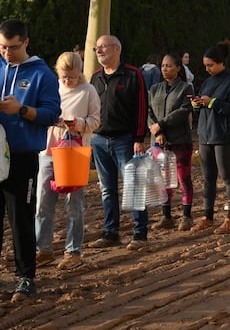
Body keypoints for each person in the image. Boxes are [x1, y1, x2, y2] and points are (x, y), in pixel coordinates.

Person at [0, 19, 61, 302]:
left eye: (12, 47)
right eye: (2, 47)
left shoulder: (42, 75)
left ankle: (26, 277)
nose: (7, 53)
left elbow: (51, 115)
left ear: (25, 42)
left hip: (22, 157)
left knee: (21, 218)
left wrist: (21, 109)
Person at [36, 51, 100, 271]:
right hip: (49, 150)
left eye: (72, 77)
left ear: (80, 72)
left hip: (75, 151)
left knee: (74, 204)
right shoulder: (51, 88)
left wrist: (78, 123)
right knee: (43, 202)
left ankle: (73, 251)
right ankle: (42, 248)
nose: (67, 81)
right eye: (64, 77)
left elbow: (95, 121)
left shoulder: (88, 90)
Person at [87, 35, 149, 251]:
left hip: (126, 140)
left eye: (103, 47)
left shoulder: (133, 75)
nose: (99, 51)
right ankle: (110, 231)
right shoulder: (95, 78)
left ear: (116, 49)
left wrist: (139, 138)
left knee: (133, 187)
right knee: (107, 189)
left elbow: (142, 107)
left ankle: (140, 234)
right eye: (97, 48)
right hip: (99, 140)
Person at [190, 43, 230, 235]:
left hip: (224, 135)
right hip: (206, 134)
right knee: (208, 178)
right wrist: (198, 104)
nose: (207, 69)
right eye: (205, 65)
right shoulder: (208, 82)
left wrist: (212, 102)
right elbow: (206, 105)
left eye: (211, 65)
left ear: (221, 63)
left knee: (228, 177)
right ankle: (208, 216)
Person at [147, 53, 194, 231]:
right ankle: (166, 216)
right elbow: (149, 111)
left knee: (183, 177)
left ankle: (187, 215)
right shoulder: (154, 89)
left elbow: (184, 110)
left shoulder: (185, 88)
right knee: (163, 178)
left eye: (169, 66)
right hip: (158, 141)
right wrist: (156, 129)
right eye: (163, 66)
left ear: (178, 68)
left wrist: (162, 125)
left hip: (180, 140)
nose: (165, 69)